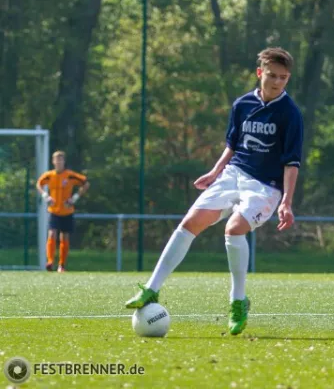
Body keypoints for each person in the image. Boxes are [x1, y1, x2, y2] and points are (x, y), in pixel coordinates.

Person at [125, 47, 303, 336]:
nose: (277, 82)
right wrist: (215, 172)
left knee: (234, 229)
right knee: (190, 223)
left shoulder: (290, 114)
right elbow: (232, 145)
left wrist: (287, 201)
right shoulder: (242, 104)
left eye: (283, 78)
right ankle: (151, 289)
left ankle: (238, 300)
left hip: (265, 187)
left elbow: (292, 162)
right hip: (233, 174)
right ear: (260, 73)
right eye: (272, 75)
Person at [36, 151, 89, 272]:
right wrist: (45, 195)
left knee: (64, 236)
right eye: (56, 160)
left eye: (61, 160)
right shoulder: (49, 175)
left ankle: (62, 265)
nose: (58, 162)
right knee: (51, 234)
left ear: (64, 162)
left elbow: (85, 183)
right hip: (54, 211)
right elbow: (39, 184)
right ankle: (50, 262)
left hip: (67, 211)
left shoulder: (70, 175)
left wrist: (75, 198)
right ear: (53, 162)